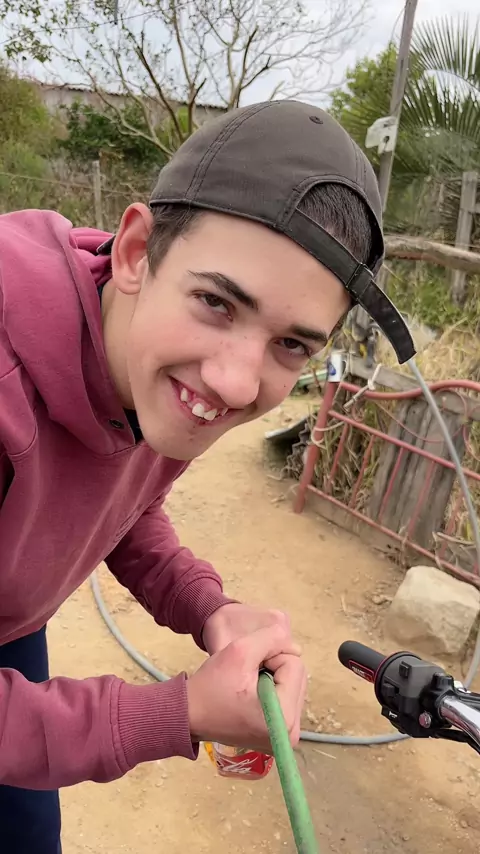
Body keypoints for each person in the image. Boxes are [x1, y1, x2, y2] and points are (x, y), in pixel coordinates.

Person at [0, 98, 414, 853]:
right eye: (217, 302)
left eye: (292, 345)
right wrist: (179, 711)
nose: (234, 382)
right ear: (136, 252)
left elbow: (123, 503)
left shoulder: (153, 370)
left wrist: (209, 609)